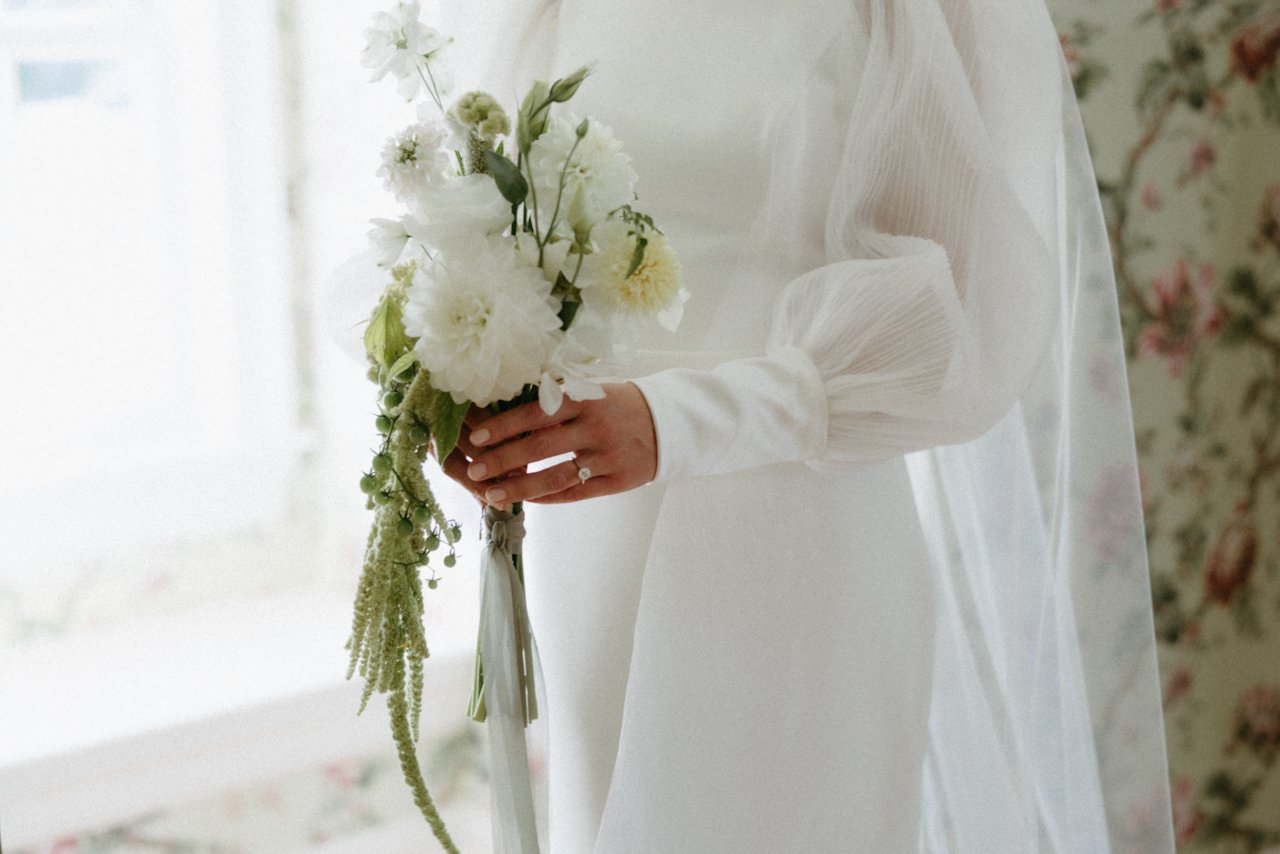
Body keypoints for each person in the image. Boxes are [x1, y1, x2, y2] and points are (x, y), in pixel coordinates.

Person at [443, 1, 1175, 851]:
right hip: (591, 536)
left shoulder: (912, 13)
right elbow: (496, 222)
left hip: (792, 532)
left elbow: (966, 317)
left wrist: (682, 420)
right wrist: (473, 388)